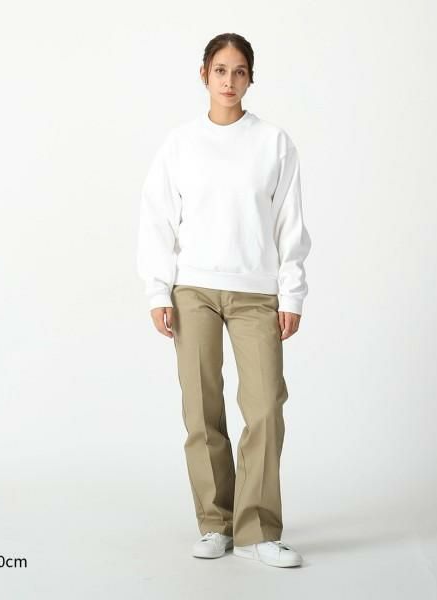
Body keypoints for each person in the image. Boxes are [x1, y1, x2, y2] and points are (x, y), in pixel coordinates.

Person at [136, 32, 311, 569]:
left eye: (239, 72)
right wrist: (158, 288)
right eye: (220, 70)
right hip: (193, 290)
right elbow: (157, 218)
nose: (229, 81)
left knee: (265, 408)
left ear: (251, 78)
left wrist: (292, 292)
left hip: (256, 291)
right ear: (204, 75)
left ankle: (259, 528)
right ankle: (216, 522)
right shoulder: (180, 144)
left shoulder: (274, 143)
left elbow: (289, 223)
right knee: (201, 408)